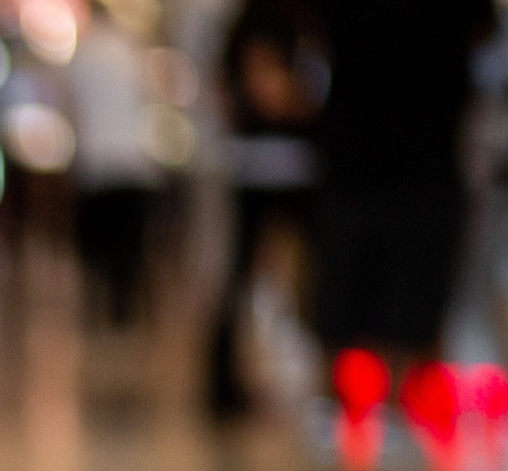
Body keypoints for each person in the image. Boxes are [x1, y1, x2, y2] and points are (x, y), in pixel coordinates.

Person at [307, 0, 495, 384]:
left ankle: (378, 421)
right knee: (357, 314)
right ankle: (365, 421)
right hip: (386, 159)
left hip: (400, 160)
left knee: (396, 315)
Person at [204, 0, 322, 415]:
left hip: (282, 158)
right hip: (271, 160)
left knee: (273, 268)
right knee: (251, 267)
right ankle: (223, 383)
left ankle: (322, 368)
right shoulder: (267, 19)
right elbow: (267, 87)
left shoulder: (262, 19)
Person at [68, 3, 160, 326]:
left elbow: (72, 106)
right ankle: (124, 312)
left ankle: (101, 309)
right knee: (128, 249)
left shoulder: (84, 53)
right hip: (132, 163)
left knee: (98, 249)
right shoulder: (130, 49)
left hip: (97, 163)